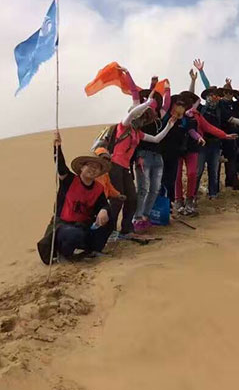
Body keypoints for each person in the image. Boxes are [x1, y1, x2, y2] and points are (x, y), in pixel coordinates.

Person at [38, 132, 114, 263]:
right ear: (82, 168)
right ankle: (64, 254)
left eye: (97, 168)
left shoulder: (98, 188)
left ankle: (93, 250)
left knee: (108, 219)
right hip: (63, 226)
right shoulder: (69, 180)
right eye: (90, 166)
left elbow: (103, 204)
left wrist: (104, 210)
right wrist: (57, 147)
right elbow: (60, 166)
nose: (93, 169)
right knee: (73, 234)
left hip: (84, 226)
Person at [109, 92, 175, 238]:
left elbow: (156, 139)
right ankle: (110, 231)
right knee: (117, 199)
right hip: (114, 165)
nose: (142, 120)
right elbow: (132, 114)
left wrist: (169, 126)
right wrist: (147, 104)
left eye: (145, 118)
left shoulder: (137, 133)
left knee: (132, 198)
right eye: (142, 117)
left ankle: (126, 229)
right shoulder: (123, 126)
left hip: (125, 168)